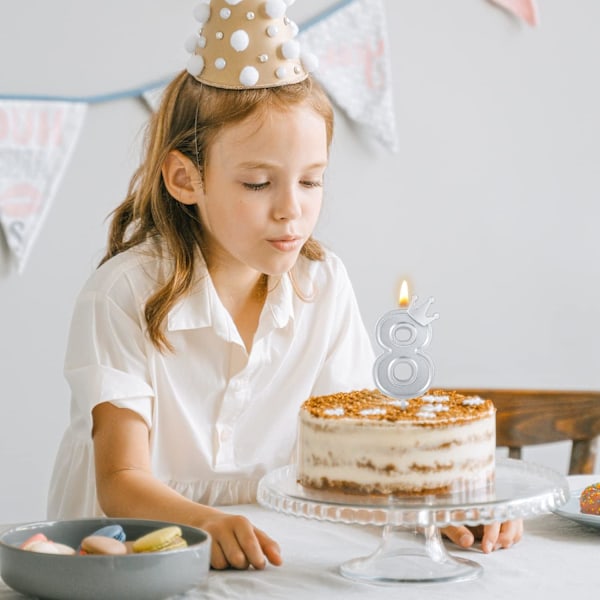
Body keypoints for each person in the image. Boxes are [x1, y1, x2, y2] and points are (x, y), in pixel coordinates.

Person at [48, 0, 521, 570]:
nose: (290, 211)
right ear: (185, 178)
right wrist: (206, 522)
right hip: (126, 559)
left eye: (312, 181)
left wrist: (436, 510)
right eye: (257, 183)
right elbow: (121, 480)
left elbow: (354, 457)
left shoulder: (322, 286)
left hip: (268, 560)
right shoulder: (123, 294)